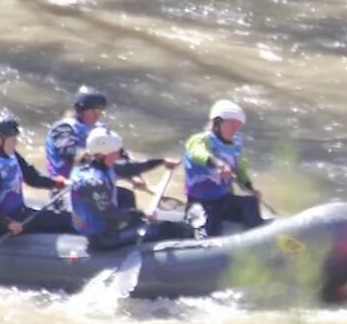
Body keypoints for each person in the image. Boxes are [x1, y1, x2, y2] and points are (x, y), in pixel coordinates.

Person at [67, 127, 182, 250]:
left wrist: (161, 162)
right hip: (102, 238)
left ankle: (130, 228)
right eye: (115, 153)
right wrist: (141, 214)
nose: (118, 155)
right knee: (163, 229)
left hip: (105, 223)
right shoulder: (93, 181)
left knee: (126, 194)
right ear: (101, 155)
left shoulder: (94, 162)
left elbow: (130, 168)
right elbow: (109, 214)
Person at [0, 116, 70, 236]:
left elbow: (32, 177)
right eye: (12, 140)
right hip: (5, 223)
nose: (16, 143)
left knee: (64, 217)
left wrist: (56, 183)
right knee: (64, 221)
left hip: (20, 213)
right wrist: (8, 223)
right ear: (0, 141)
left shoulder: (11, 155)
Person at [182, 99, 266, 239]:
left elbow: (241, 170)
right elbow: (198, 154)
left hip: (225, 200)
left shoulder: (236, 144)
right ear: (218, 122)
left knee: (250, 202)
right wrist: (219, 165)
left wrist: (250, 188)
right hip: (201, 204)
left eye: (238, 125)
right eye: (231, 124)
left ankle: (261, 240)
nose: (235, 129)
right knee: (210, 233)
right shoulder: (200, 140)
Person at [45, 86, 110, 181]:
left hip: (94, 183)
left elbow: (118, 153)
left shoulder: (101, 129)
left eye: (100, 111)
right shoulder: (63, 128)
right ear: (80, 110)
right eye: (92, 111)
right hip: (65, 187)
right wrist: (93, 155)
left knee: (127, 195)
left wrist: (132, 175)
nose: (97, 115)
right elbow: (68, 150)